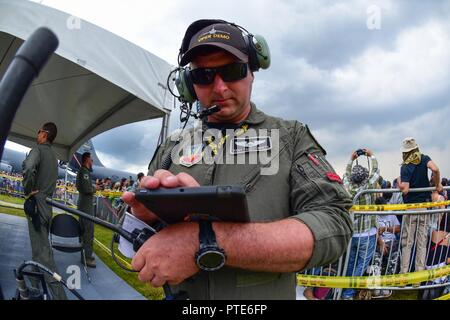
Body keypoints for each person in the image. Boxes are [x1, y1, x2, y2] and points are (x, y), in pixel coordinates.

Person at [122, 19, 353, 300]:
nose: (219, 87)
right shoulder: (172, 146)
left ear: (252, 72)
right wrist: (143, 217)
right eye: (203, 76)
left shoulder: (290, 137)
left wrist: (206, 241)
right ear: (188, 84)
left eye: (232, 71)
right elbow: (132, 246)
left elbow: (334, 223)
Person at [22, 122, 67, 300]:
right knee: (38, 249)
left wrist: (28, 189)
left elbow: (28, 168)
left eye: (39, 131)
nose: (37, 134)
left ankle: (60, 296)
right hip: (47, 205)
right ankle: (36, 289)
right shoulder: (54, 157)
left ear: (44, 134)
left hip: (37, 204)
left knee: (44, 256)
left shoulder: (38, 150)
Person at [397, 137, 443, 274]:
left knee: (407, 243)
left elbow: (405, 189)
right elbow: (435, 168)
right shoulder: (424, 158)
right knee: (422, 242)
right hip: (424, 207)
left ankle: (404, 274)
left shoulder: (405, 166)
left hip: (411, 208)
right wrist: (437, 184)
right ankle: (419, 275)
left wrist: (399, 181)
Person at [341, 148, 379, 299]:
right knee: (361, 264)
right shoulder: (368, 185)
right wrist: (371, 155)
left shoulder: (348, 186)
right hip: (368, 233)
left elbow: (345, 174)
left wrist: (351, 159)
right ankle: (348, 292)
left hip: (353, 233)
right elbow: (376, 171)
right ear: (364, 177)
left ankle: (345, 290)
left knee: (350, 263)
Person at [76, 152, 97, 268]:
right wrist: (95, 187)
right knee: (88, 232)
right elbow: (87, 188)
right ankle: (87, 258)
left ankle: (86, 255)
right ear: (87, 159)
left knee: (86, 232)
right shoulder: (84, 172)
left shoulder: (85, 172)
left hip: (85, 206)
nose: (92, 162)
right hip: (86, 207)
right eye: (92, 160)